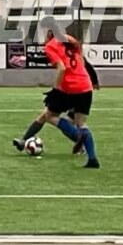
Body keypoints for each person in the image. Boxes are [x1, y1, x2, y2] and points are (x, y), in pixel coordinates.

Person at [12, 18, 100, 168]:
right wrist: (93, 79)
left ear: (49, 31)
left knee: (49, 116)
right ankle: (92, 159)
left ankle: (76, 136)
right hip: (85, 86)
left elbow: (62, 68)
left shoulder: (51, 46)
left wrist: (56, 89)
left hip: (68, 88)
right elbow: (82, 62)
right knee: (81, 123)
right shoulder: (71, 40)